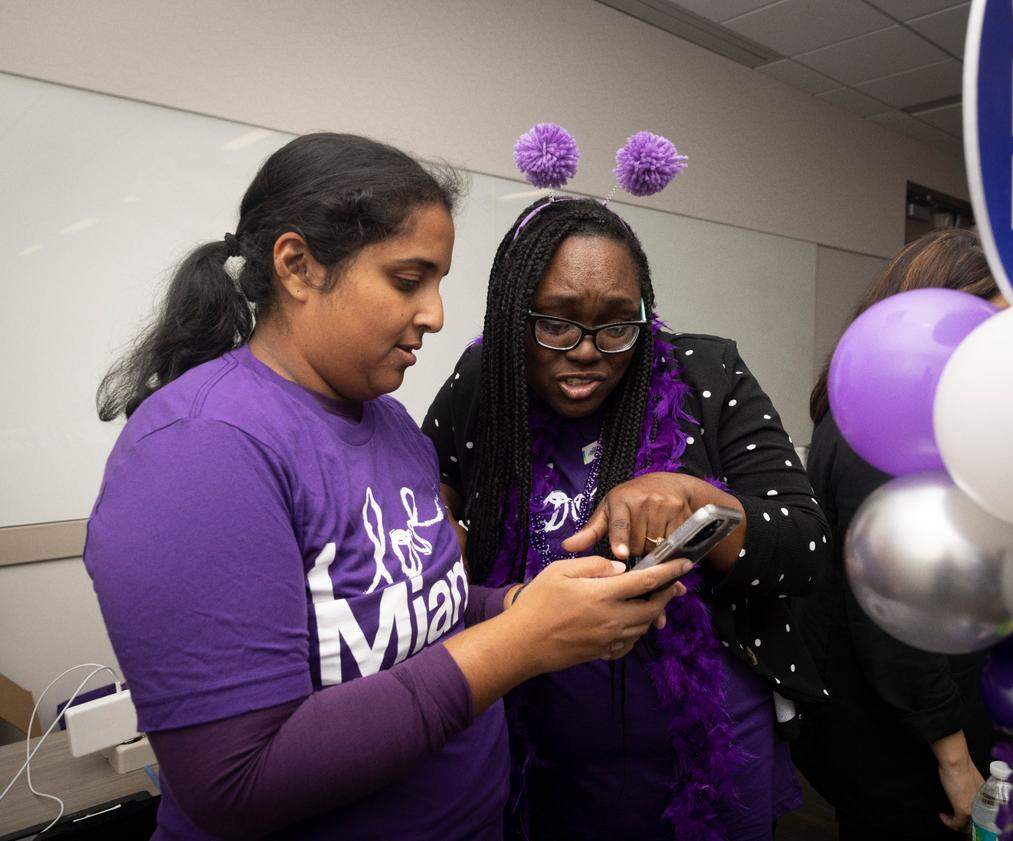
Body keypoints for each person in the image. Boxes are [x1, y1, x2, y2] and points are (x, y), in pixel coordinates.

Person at [83, 134, 688, 840]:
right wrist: (521, 641)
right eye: (408, 280)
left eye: (438, 283)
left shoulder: (394, 425)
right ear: (298, 266)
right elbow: (237, 781)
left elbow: (414, 614)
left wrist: (522, 604)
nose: (435, 313)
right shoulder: (201, 448)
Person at [422, 196, 831, 840]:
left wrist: (698, 499)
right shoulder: (484, 380)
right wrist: (442, 527)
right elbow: (428, 492)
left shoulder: (707, 376)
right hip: (540, 761)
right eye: (554, 324)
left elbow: (805, 549)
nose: (588, 351)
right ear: (510, 318)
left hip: (710, 758)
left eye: (618, 325)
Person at [791, 229, 1003, 839]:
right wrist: (956, 762)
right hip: (902, 745)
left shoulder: (906, 415)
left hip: (920, 721)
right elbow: (893, 620)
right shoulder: (880, 428)